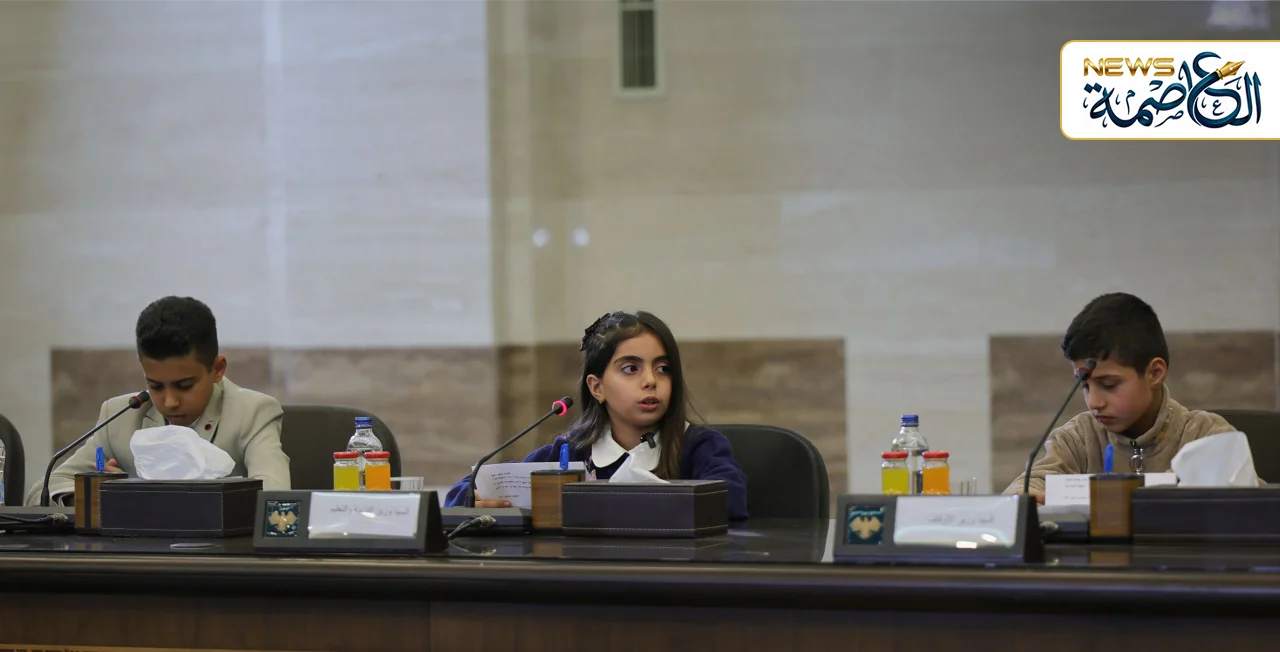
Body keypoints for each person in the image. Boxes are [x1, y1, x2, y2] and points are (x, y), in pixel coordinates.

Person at [445, 310, 749, 520]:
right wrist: (471, 500)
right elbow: (463, 492)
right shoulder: (572, 451)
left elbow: (731, 500)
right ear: (597, 387)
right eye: (631, 368)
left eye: (662, 368)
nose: (650, 380)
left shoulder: (698, 445)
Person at [27, 296, 290, 505]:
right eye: (155, 386)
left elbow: (276, 498)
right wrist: (95, 496)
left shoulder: (252, 412)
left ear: (217, 369)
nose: (170, 401)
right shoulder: (120, 415)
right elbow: (41, 491)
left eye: (185, 386)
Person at [1004, 292, 1236, 502]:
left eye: (1109, 385)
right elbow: (1027, 486)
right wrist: (1022, 499)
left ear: (1155, 373)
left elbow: (1250, 508)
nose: (1094, 402)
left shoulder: (1207, 435)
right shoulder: (1077, 438)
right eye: (1084, 385)